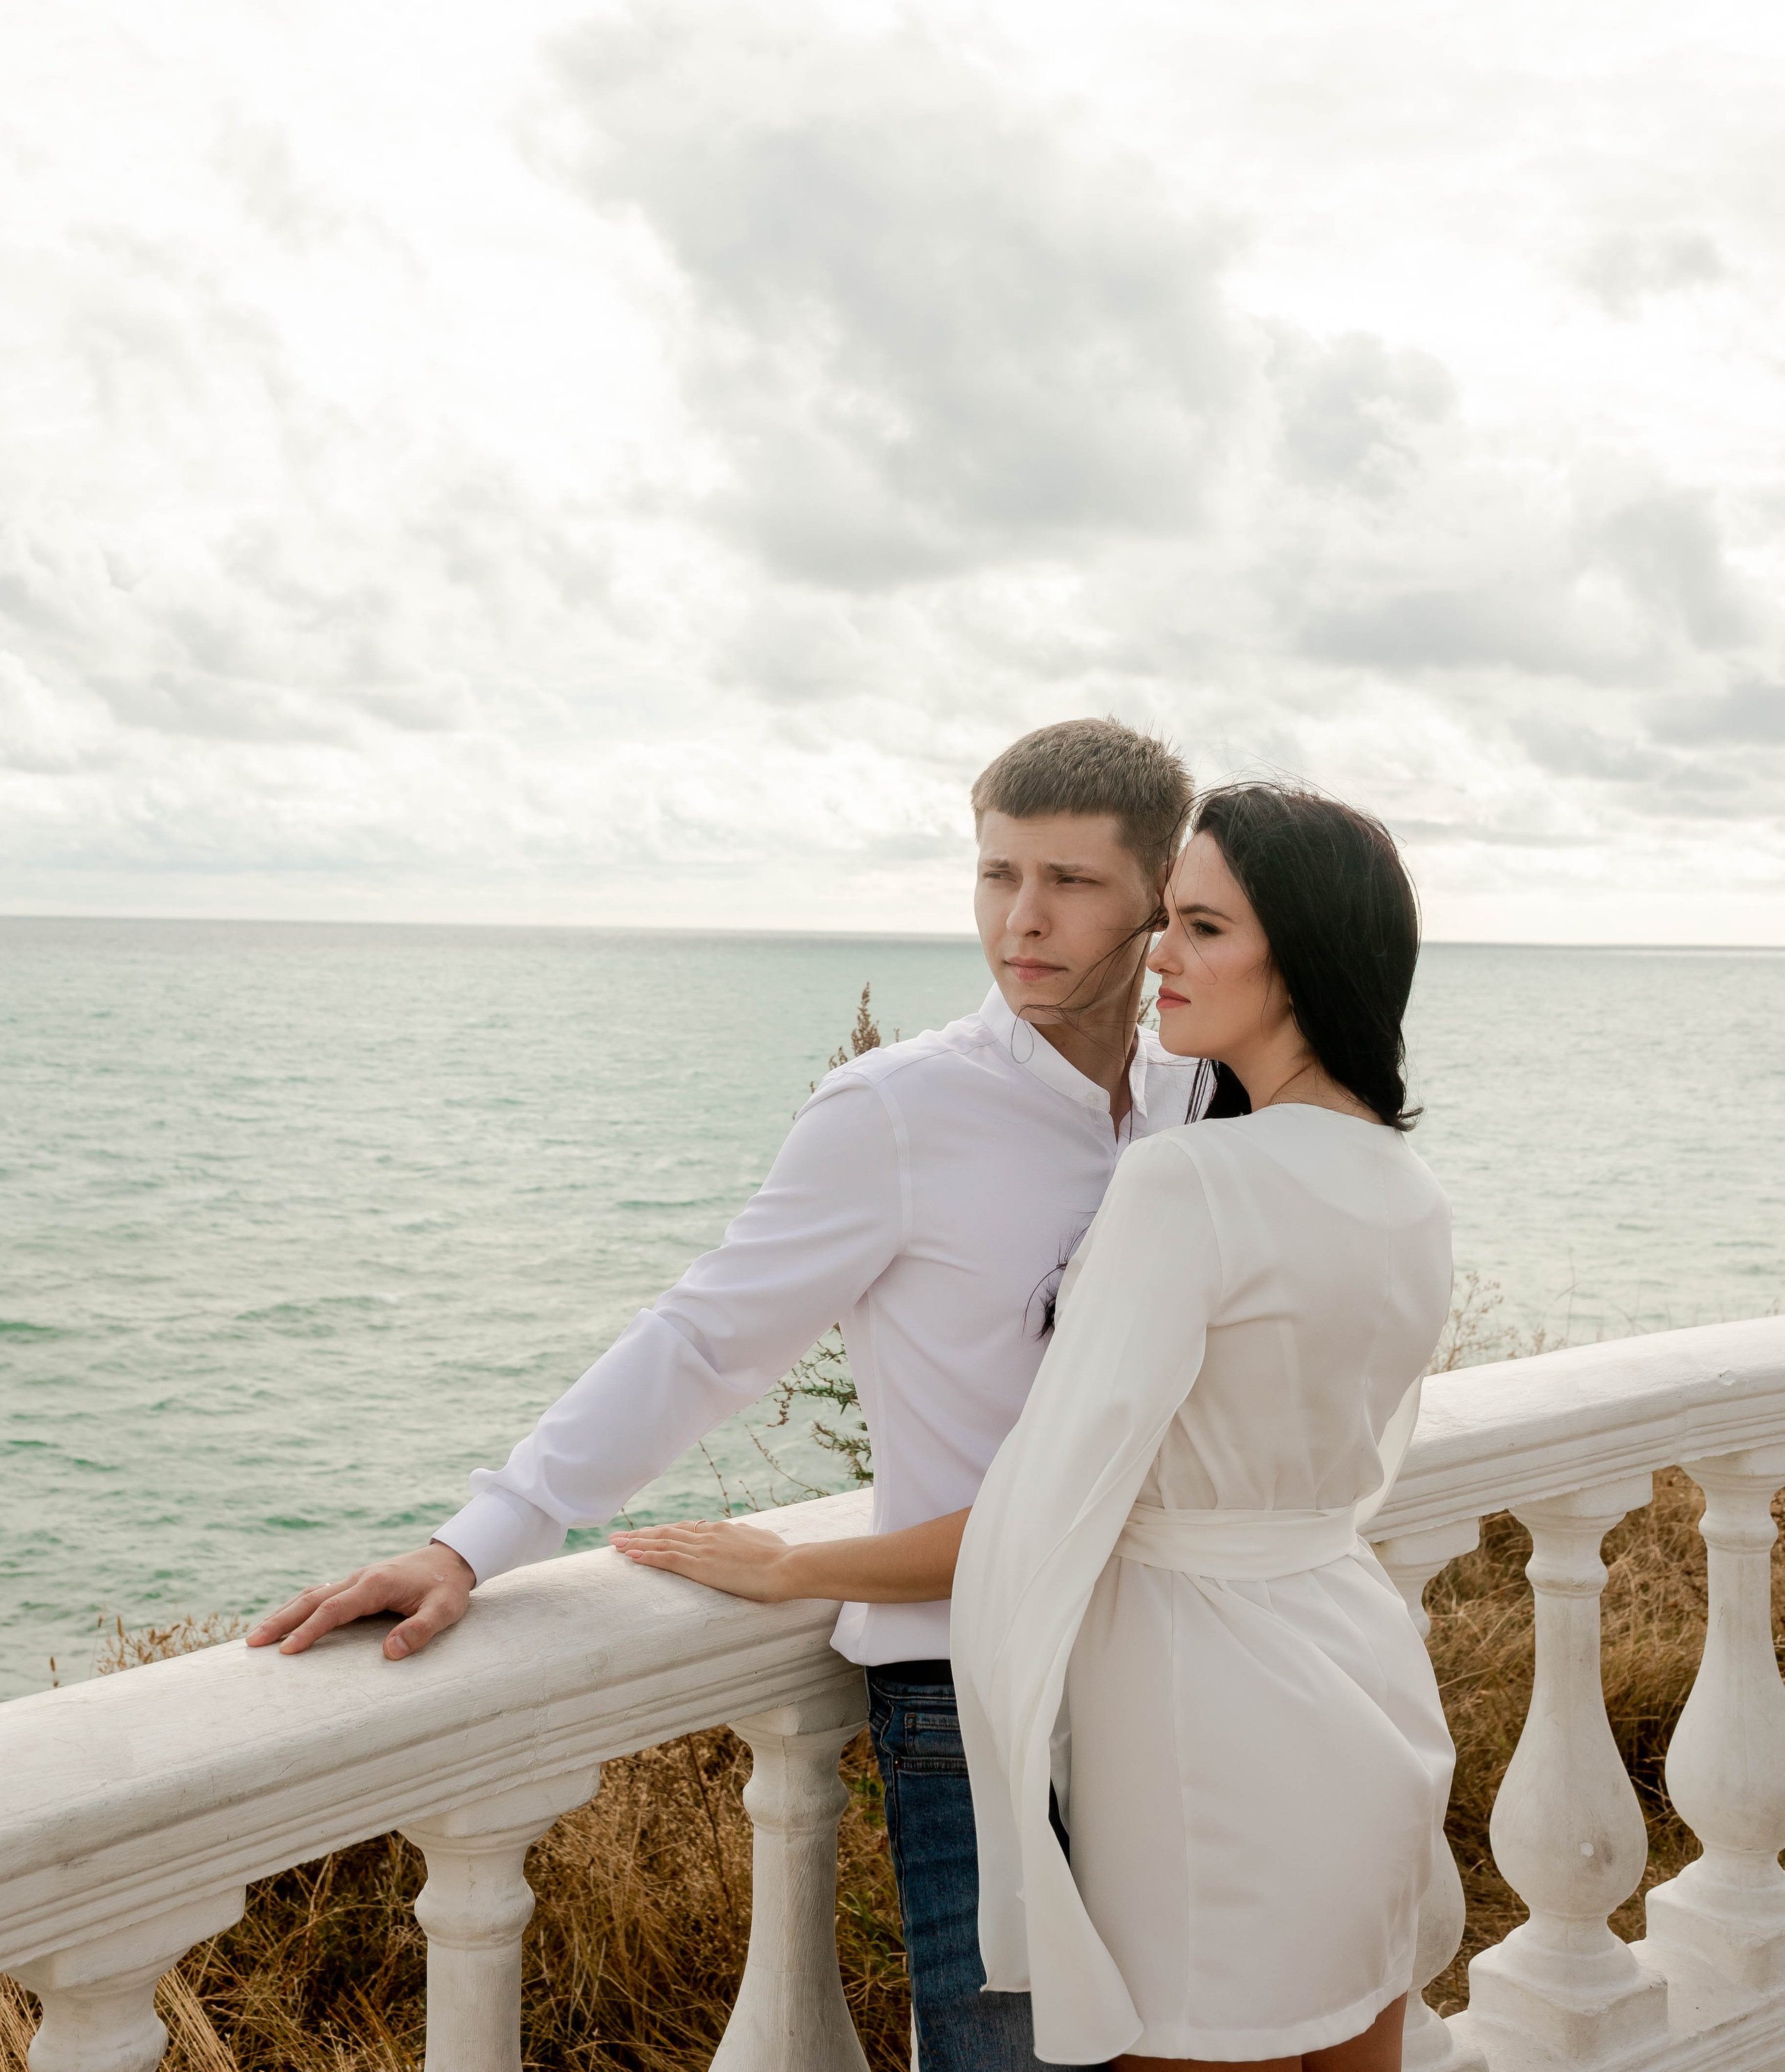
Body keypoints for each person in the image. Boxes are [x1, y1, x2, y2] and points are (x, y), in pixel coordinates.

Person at [249, 717, 1219, 2072]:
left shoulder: (1198, 1100)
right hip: (968, 1673)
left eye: (1070, 881)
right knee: (1015, 2058)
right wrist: (478, 1537)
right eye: (997, 875)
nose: (1022, 918)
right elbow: (703, 1338)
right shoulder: (893, 1111)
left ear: (1159, 897)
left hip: (1170, 1654)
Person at [635, 782, 1454, 2072]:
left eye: (1202, 927)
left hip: (1207, 1739)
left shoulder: (1187, 1179)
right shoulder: (1403, 1183)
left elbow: (1049, 1505)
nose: (1160, 955)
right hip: (1363, 1688)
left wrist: (799, 1568)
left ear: (1296, 958)